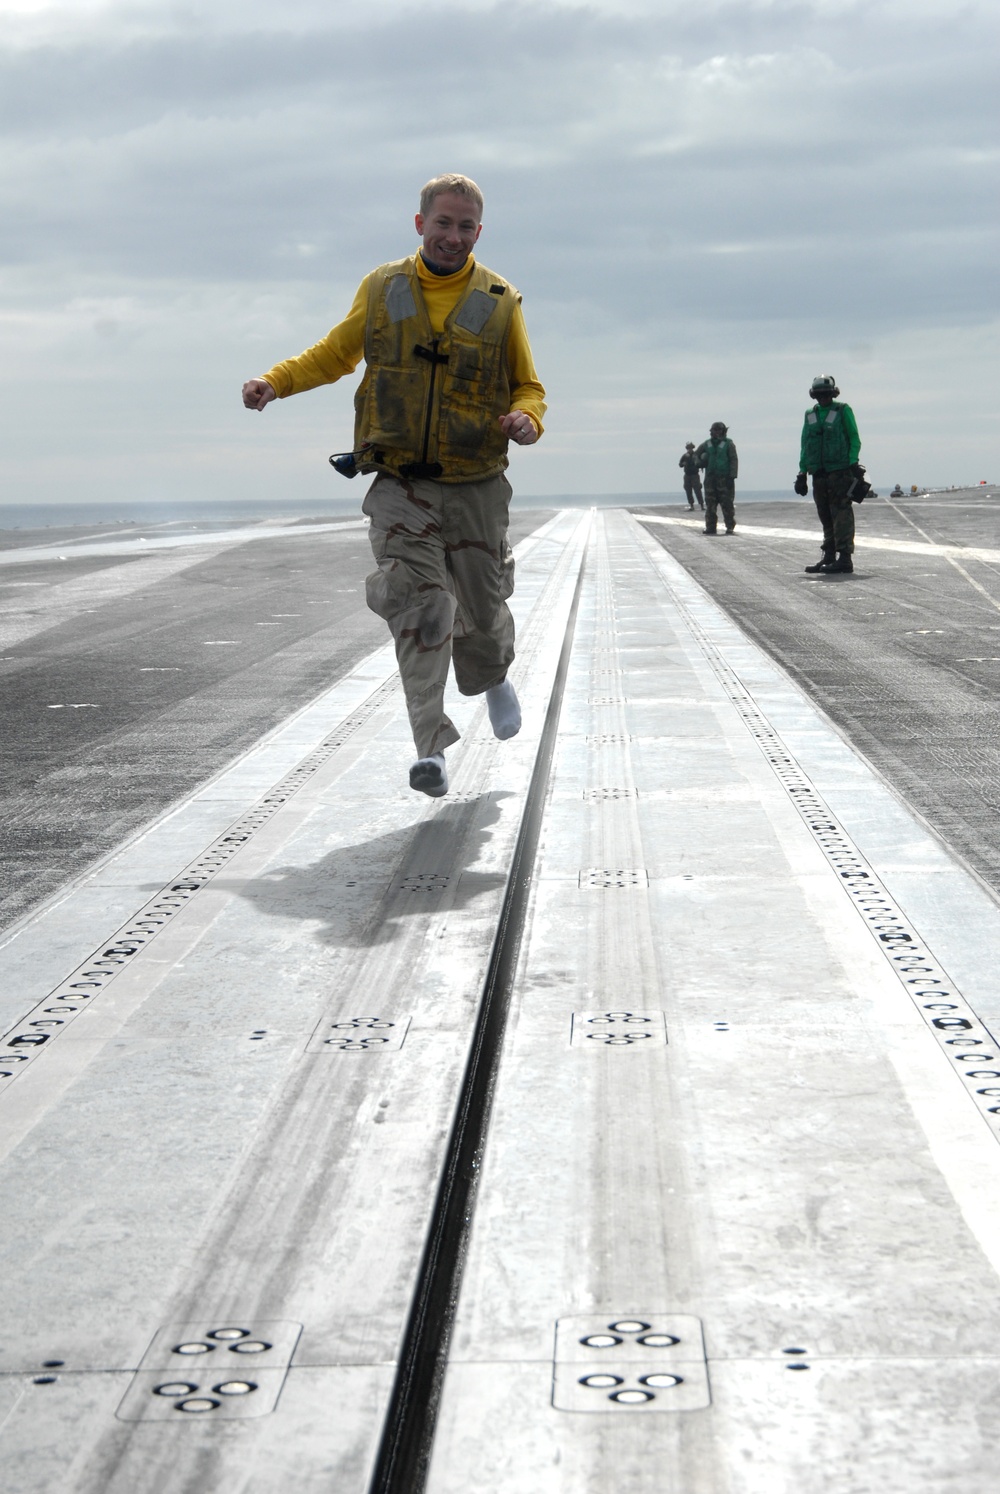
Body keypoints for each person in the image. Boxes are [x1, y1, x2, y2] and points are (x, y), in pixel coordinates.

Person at [242, 174, 546, 799]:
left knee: (482, 612)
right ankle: (429, 747)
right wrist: (276, 381)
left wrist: (527, 419)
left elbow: (528, 385)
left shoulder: (500, 299)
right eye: (443, 223)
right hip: (400, 484)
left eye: (465, 227)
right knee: (423, 603)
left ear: (478, 234)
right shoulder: (384, 289)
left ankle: (491, 678)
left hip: (476, 482)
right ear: (420, 224)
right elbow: (335, 353)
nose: (452, 236)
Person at [794, 375, 863, 574]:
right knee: (825, 515)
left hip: (840, 472)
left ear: (833, 394)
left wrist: (853, 462)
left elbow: (854, 437)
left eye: (826, 394)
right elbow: (805, 444)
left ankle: (845, 558)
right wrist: (802, 472)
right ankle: (829, 556)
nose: (823, 398)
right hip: (819, 474)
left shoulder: (842, 410)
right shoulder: (810, 415)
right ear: (814, 396)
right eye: (819, 395)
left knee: (841, 514)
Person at [695, 422, 738, 534]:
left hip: (725, 479)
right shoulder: (707, 444)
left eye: (717, 430)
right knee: (710, 504)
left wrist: (732, 476)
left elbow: (733, 460)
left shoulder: (728, 444)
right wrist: (699, 462)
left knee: (727, 504)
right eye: (713, 430)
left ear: (722, 431)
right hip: (710, 479)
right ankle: (710, 527)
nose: (714, 432)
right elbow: (696, 454)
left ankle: (730, 526)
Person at [678, 442, 704, 511]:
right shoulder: (685, 456)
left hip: (695, 475)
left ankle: (702, 505)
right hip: (687, 475)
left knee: (698, 490)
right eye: (688, 448)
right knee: (688, 490)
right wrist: (683, 464)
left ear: (692, 448)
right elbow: (680, 464)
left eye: (690, 447)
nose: (689, 449)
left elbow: (701, 462)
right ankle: (691, 505)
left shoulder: (696, 455)